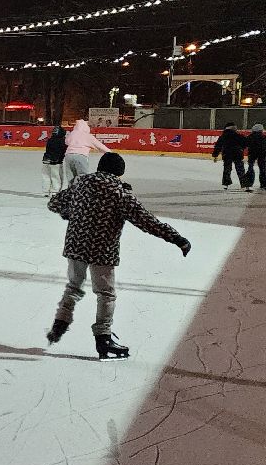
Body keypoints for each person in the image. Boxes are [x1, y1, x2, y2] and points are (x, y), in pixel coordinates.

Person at [46, 152, 191, 359]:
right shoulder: (120, 193)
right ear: (119, 173)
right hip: (102, 251)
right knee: (105, 294)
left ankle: (60, 324)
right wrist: (177, 239)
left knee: (74, 286)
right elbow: (147, 221)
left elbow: (54, 204)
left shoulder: (81, 184)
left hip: (76, 246)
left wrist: (70, 212)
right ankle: (103, 339)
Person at [212, 122, 248, 191]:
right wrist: (241, 148)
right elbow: (245, 143)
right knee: (240, 169)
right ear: (234, 128)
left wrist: (215, 155)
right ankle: (244, 184)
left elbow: (218, 146)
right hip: (237, 153)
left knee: (227, 169)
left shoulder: (223, 136)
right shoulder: (238, 135)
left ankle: (226, 184)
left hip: (227, 154)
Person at [41, 125, 67, 197]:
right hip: (56, 162)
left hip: (46, 160)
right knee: (56, 176)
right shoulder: (62, 141)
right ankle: (55, 192)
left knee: (46, 176)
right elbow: (63, 151)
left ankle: (45, 191)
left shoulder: (50, 140)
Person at [245, 124, 265, 192]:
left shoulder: (250, 137)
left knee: (250, 167)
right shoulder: (263, 137)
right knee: (262, 169)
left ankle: (248, 183)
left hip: (252, 154)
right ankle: (263, 184)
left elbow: (245, 144)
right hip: (262, 154)